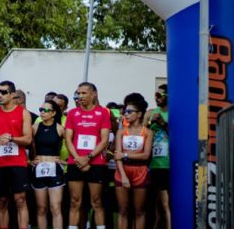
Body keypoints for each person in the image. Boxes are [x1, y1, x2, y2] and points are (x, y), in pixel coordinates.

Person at [0, 80, 32, 229]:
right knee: (1, 201)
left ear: (12, 94)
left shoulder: (23, 113)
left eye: (3, 92)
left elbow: (28, 139)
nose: (0, 95)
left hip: (18, 163)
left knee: (20, 200)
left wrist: (11, 138)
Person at [65, 82, 111, 229]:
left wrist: (88, 157)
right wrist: (78, 158)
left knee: (96, 201)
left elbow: (104, 140)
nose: (80, 96)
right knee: (75, 201)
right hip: (75, 162)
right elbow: (68, 139)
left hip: (96, 162)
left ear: (93, 94)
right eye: (78, 93)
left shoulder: (103, 112)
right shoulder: (72, 113)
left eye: (84, 93)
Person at [114, 93, 153, 229]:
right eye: (125, 111)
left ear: (139, 114)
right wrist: (123, 176)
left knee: (139, 210)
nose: (126, 114)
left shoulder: (147, 132)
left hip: (140, 171)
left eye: (129, 112)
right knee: (123, 210)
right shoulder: (121, 132)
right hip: (122, 171)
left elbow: (146, 155)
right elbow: (116, 156)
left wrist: (125, 155)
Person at [31, 100, 65, 229]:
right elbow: (26, 145)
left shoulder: (59, 128)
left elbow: (72, 146)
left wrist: (65, 161)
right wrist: (29, 161)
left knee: (55, 208)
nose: (42, 112)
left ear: (53, 113)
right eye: (40, 109)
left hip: (54, 169)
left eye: (45, 110)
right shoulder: (35, 127)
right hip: (39, 168)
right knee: (41, 208)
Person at [144, 84, 171, 229]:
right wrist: (149, 125)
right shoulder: (150, 113)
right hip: (153, 163)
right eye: (155, 94)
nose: (156, 98)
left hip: (169, 164)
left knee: (166, 204)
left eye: (160, 95)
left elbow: (181, 136)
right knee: (153, 202)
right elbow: (141, 135)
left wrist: (162, 123)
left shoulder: (176, 112)